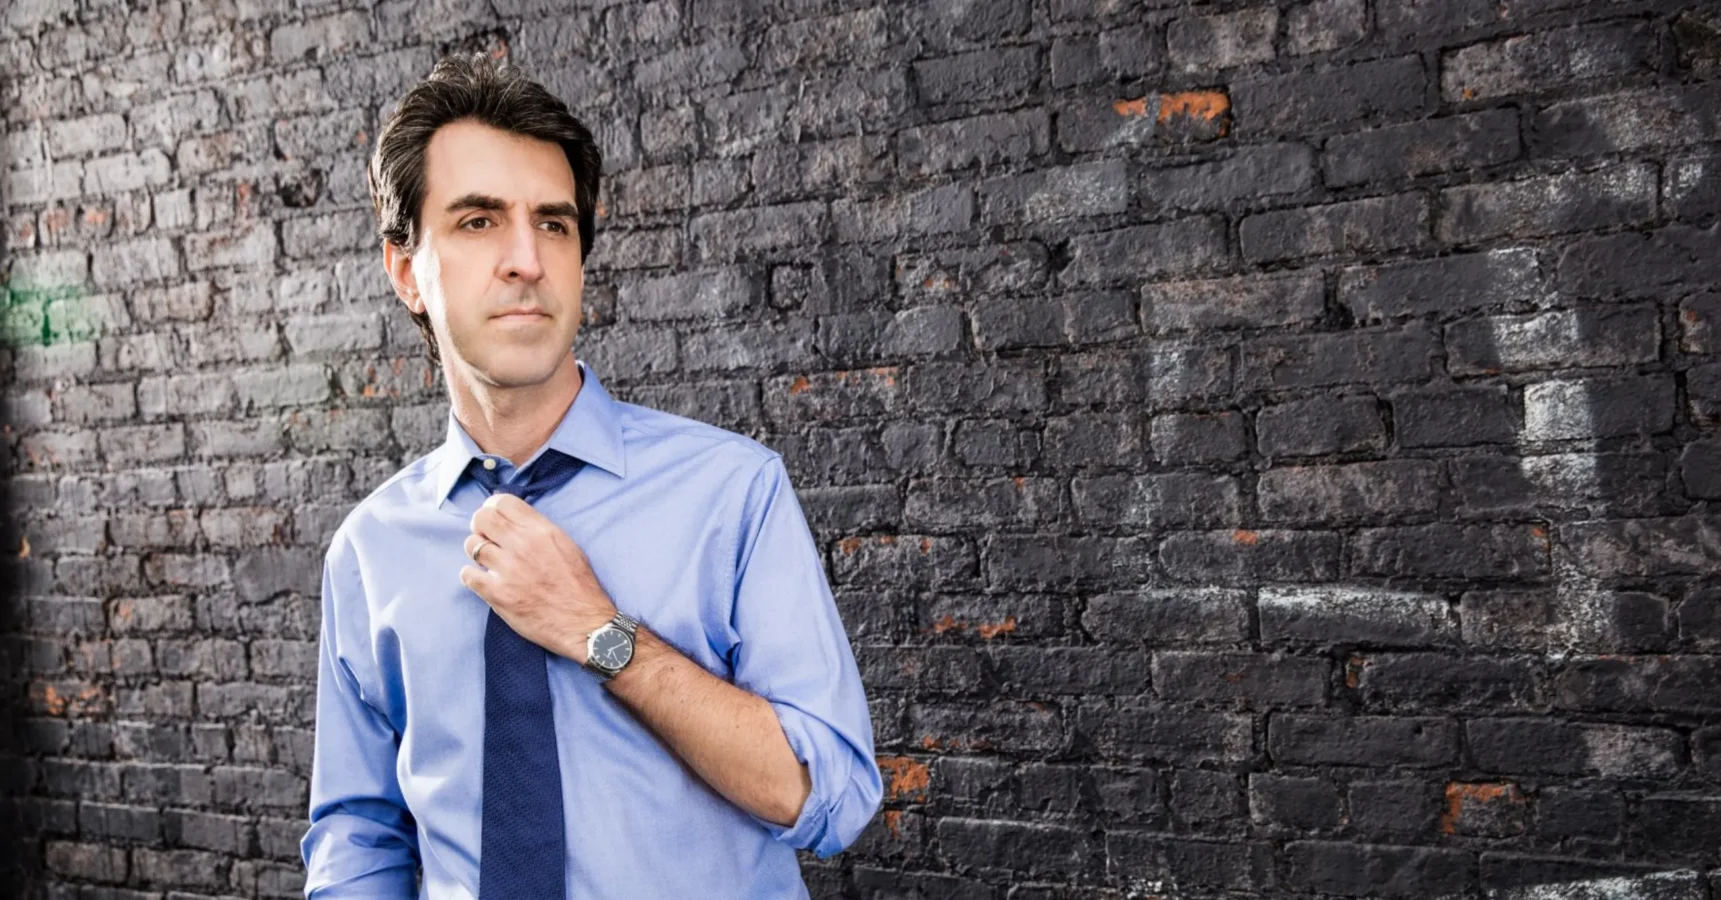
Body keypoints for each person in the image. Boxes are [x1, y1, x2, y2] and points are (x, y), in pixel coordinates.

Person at [298, 52, 882, 899]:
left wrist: (602, 635)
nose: (525, 259)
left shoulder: (730, 493)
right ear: (403, 270)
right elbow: (359, 831)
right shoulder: (369, 551)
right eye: (477, 222)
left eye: (554, 224)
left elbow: (827, 795)